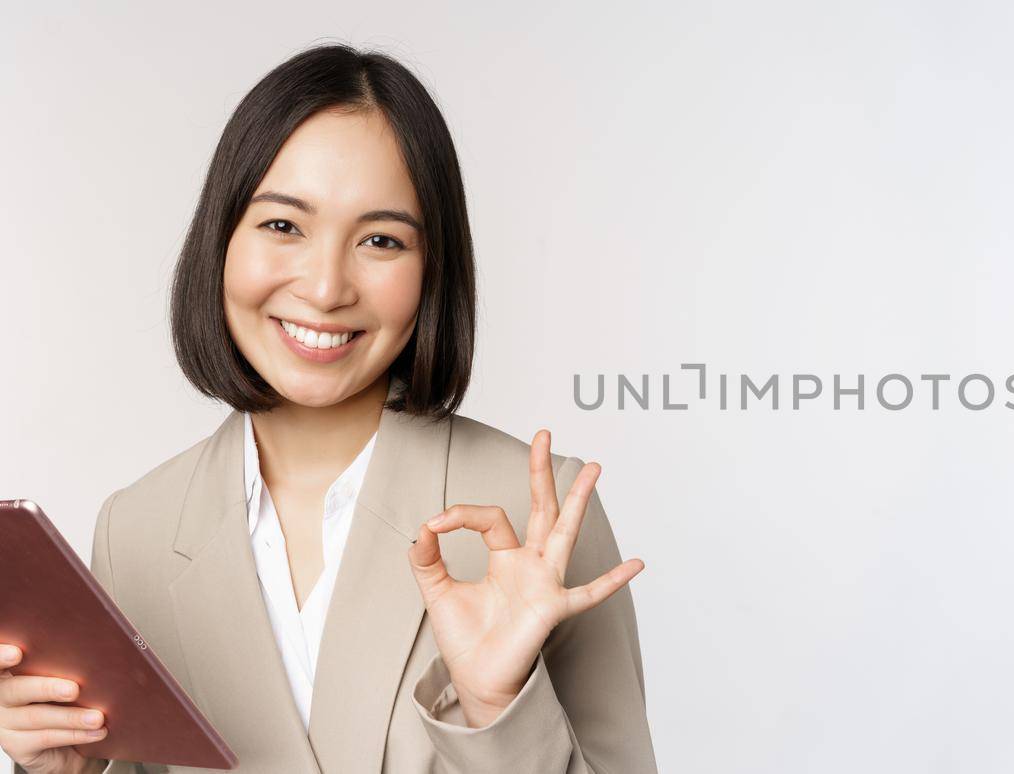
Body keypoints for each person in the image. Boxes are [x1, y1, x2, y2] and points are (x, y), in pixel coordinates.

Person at [0, 43, 657, 774]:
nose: (324, 287)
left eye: (381, 240)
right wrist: (62, 770)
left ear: (431, 270)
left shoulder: (539, 514)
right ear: (220, 240)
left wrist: (496, 711)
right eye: (283, 226)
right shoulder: (137, 531)